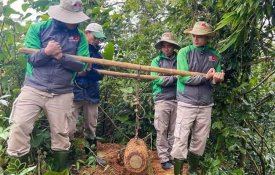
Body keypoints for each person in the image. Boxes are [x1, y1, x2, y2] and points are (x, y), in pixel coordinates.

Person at [6, 0, 89, 173]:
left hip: (62, 91)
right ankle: (17, 170)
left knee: (62, 133)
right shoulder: (38, 29)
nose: (74, 22)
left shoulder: (80, 37)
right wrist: (46, 51)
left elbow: (82, 65)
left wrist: (61, 57)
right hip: (34, 87)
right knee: (19, 126)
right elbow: (32, 59)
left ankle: (58, 170)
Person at [171, 21, 225, 175]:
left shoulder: (215, 56)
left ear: (207, 37)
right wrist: (205, 78)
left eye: (200, 36)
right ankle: (178, 172)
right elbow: (183, 78)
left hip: (205, 104)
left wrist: (217, 79)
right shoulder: (184, 52)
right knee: (181, 138)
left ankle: (192, 170)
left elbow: (215, 78)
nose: (195, 38)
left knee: (200, 139)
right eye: (194, 35)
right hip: (186, 102)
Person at [71, 23, 106, 164]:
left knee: (91, 126)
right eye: (95, 37)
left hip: (91, 94)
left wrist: (89, 71)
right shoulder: (75, 48)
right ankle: (71, 156)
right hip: (75, 91)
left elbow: (100, 75)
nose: (97, 40)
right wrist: (86, 71)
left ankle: (91, 156)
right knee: (69, 126)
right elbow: (72, 70)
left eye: (99, 38)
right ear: (87, 33)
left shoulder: (98, 54)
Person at [151, 32, 180, 170]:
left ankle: (171, 156)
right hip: (162, 99)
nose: (167, 49)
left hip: (177, 99)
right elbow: (158, 80)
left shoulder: (179, 60)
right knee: (162, 129)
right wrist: (174, 78)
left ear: (173, 47)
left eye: (169, 46)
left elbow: (184, 77)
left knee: (174, 130)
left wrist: (170, 77)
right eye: (164, 46)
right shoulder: (156, 61)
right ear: (161, 47)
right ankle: (163, 158)